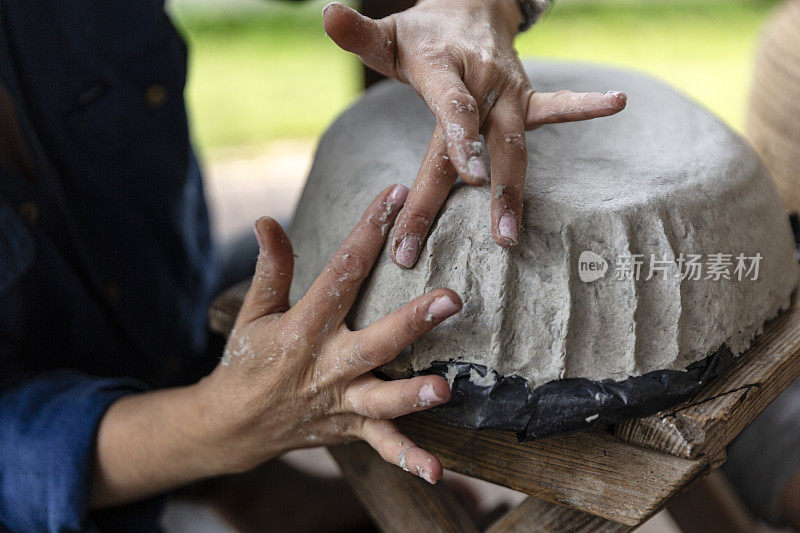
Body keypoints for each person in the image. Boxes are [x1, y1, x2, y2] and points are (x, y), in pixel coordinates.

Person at [0, 0, 625, 530]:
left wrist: (475, 8)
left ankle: (238, 483)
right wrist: (219, 425)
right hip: (47, 456)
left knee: (361, 254)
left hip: (173, 318)